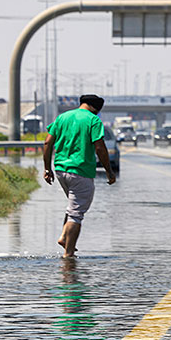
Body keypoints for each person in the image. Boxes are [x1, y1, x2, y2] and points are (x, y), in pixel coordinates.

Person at [43, 94, 116, 258]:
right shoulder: (93, 120)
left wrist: (47, 169)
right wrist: (109, 172)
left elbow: (47, 143)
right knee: (76, 214)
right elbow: (100, 148)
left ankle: (63, 237)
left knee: (72, 206)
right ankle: (69, 254)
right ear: (96, 109)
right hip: (81, 172)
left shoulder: (62, 117)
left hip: (61, 171)